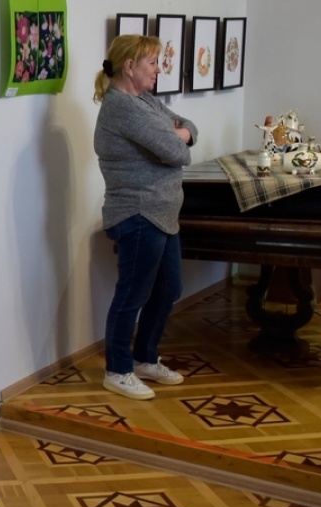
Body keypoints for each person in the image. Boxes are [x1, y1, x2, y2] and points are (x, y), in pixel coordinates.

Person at [93, 35, 198, 401]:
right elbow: (179, 153)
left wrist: (180, 133)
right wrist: (178, 137)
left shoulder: (145, 100)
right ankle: (117, 370)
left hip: (162, 213)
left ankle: (144, 359)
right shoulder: (122, 107)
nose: (158, 69)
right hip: (137, 213)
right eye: (152, 62)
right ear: (129, 67)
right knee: (132, 294)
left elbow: (188, 127)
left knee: (170, 289)